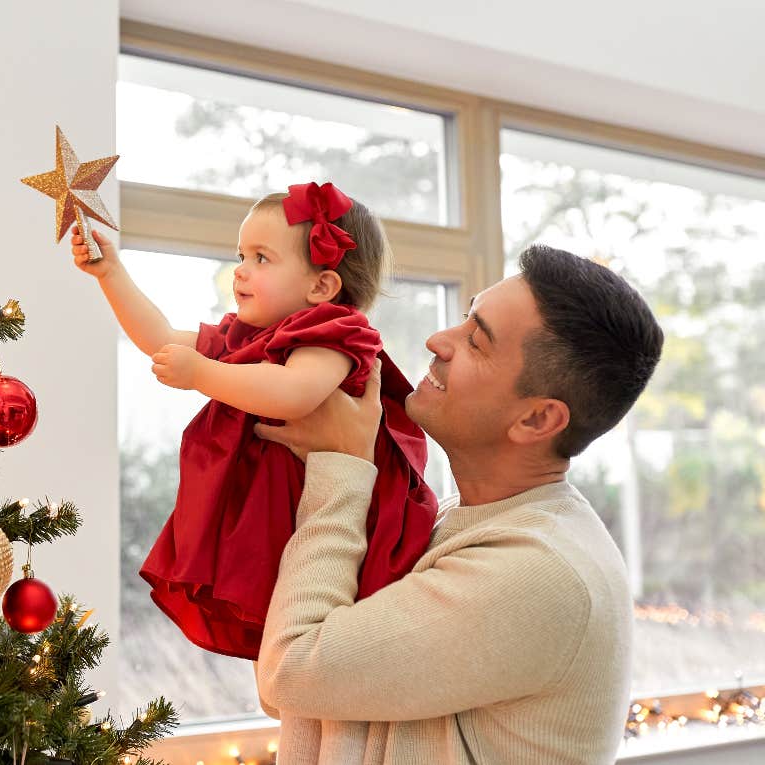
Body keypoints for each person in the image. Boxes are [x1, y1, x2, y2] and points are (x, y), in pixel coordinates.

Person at [253, 244, 663, 764]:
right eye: (466, 316)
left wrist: (341, 463)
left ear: (538, 420)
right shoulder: (457, 520)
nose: (437, 340)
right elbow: (295, 689)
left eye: (476, 341)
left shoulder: (539, 570)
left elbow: (290, 671)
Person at [66, 182, 436, 661]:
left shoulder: (335, 335)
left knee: (316, 638)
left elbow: (294, 394)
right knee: (287, 639)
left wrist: (202, 373)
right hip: (278, 515)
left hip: (337, 519)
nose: (241, 270)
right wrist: (110, 273)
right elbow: (159, 337)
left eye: (262, 258)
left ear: (321, 287)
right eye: (241, 254)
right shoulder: (247, 337)